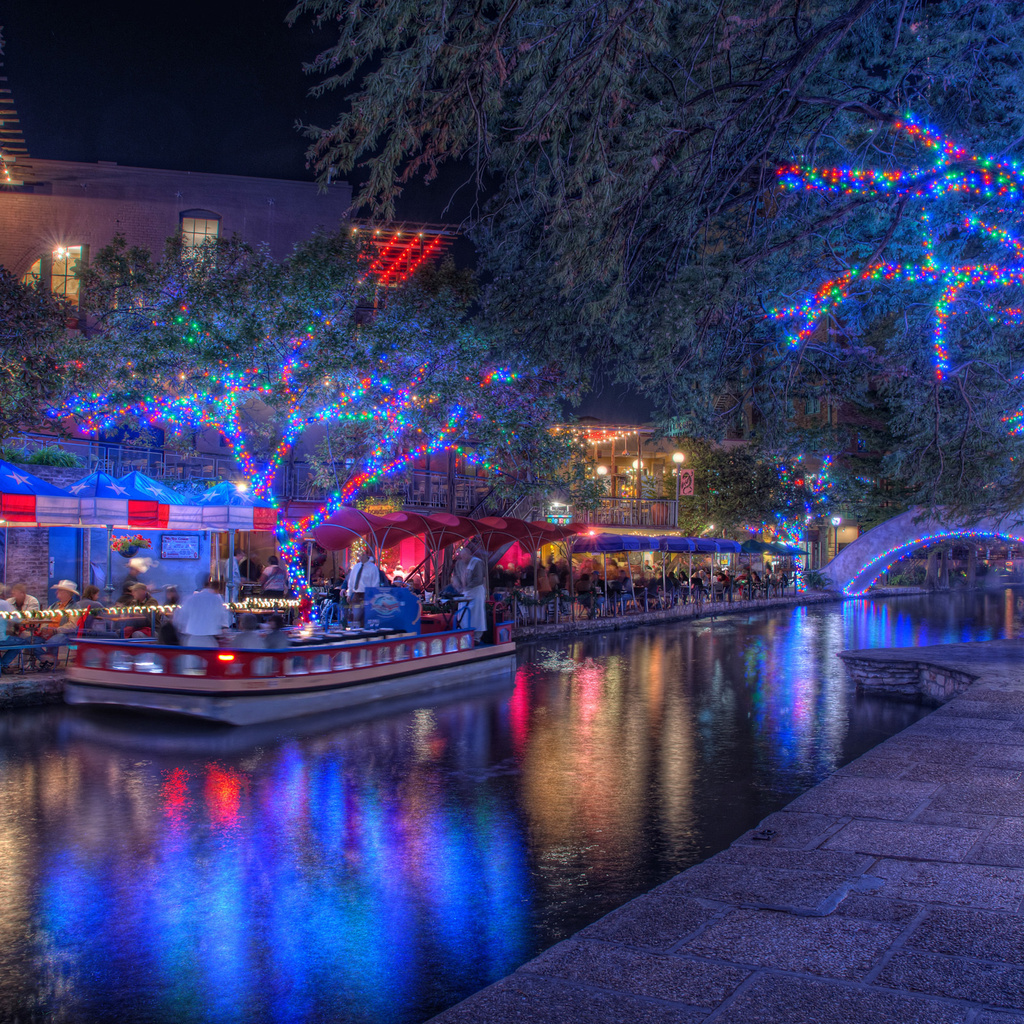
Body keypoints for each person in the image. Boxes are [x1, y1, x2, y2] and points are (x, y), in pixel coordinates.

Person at [173, 576, 230, 647]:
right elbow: (222, 619)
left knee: (191, 657)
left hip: (192, 638)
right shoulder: (216, 599)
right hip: (209, 638)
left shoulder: (190, 599)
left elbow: (179, 619)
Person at [453, 546, 488, 641]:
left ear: (469, 555)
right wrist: (457, 584)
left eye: (464, 556)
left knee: (476, 614)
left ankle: (476, 637)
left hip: (476, 591)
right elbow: (455, 575)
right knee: (463, 613)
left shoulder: (477, 562)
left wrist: (467, 586)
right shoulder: (459, 563)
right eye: (461, 556)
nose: (463, 558)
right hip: (465, 592)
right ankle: (464, 634)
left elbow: (478, 579)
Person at [346, 550, 380, 624]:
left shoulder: (373, 568)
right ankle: (356, 632)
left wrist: (373, 595)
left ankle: (365, 632)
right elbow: (351, 581)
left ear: (366, 555)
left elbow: (375, 583)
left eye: (361, 555)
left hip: (367, 594)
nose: (360, 557)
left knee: (367, 616)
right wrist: (349, 593)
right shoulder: (356, 567)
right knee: (356, 616)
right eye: (359, 556)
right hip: (357, 594)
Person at [0, 585, 24, 674]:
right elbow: (18, 618)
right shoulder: (4, 604)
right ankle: (3, 664)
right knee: (22, 642)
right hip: (1, 638)